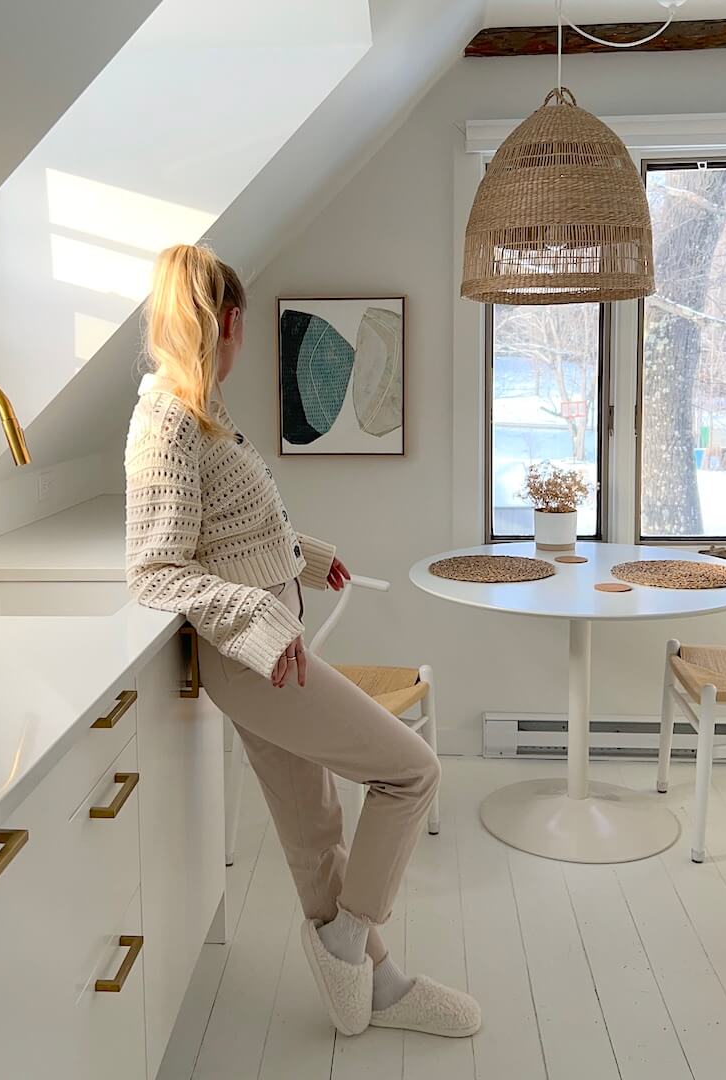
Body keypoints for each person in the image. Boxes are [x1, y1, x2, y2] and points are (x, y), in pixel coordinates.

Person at [125, 243, 480, 1038]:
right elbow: (156, 570)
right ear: (231, 321)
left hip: (266, 655)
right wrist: (257, 618)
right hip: (256, 663)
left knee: (316, 832)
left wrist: (305, 558)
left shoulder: (198, 409)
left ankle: (376, 990)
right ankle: (351, 942)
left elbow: (228, 531)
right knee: (412, 772)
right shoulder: (167, 423)